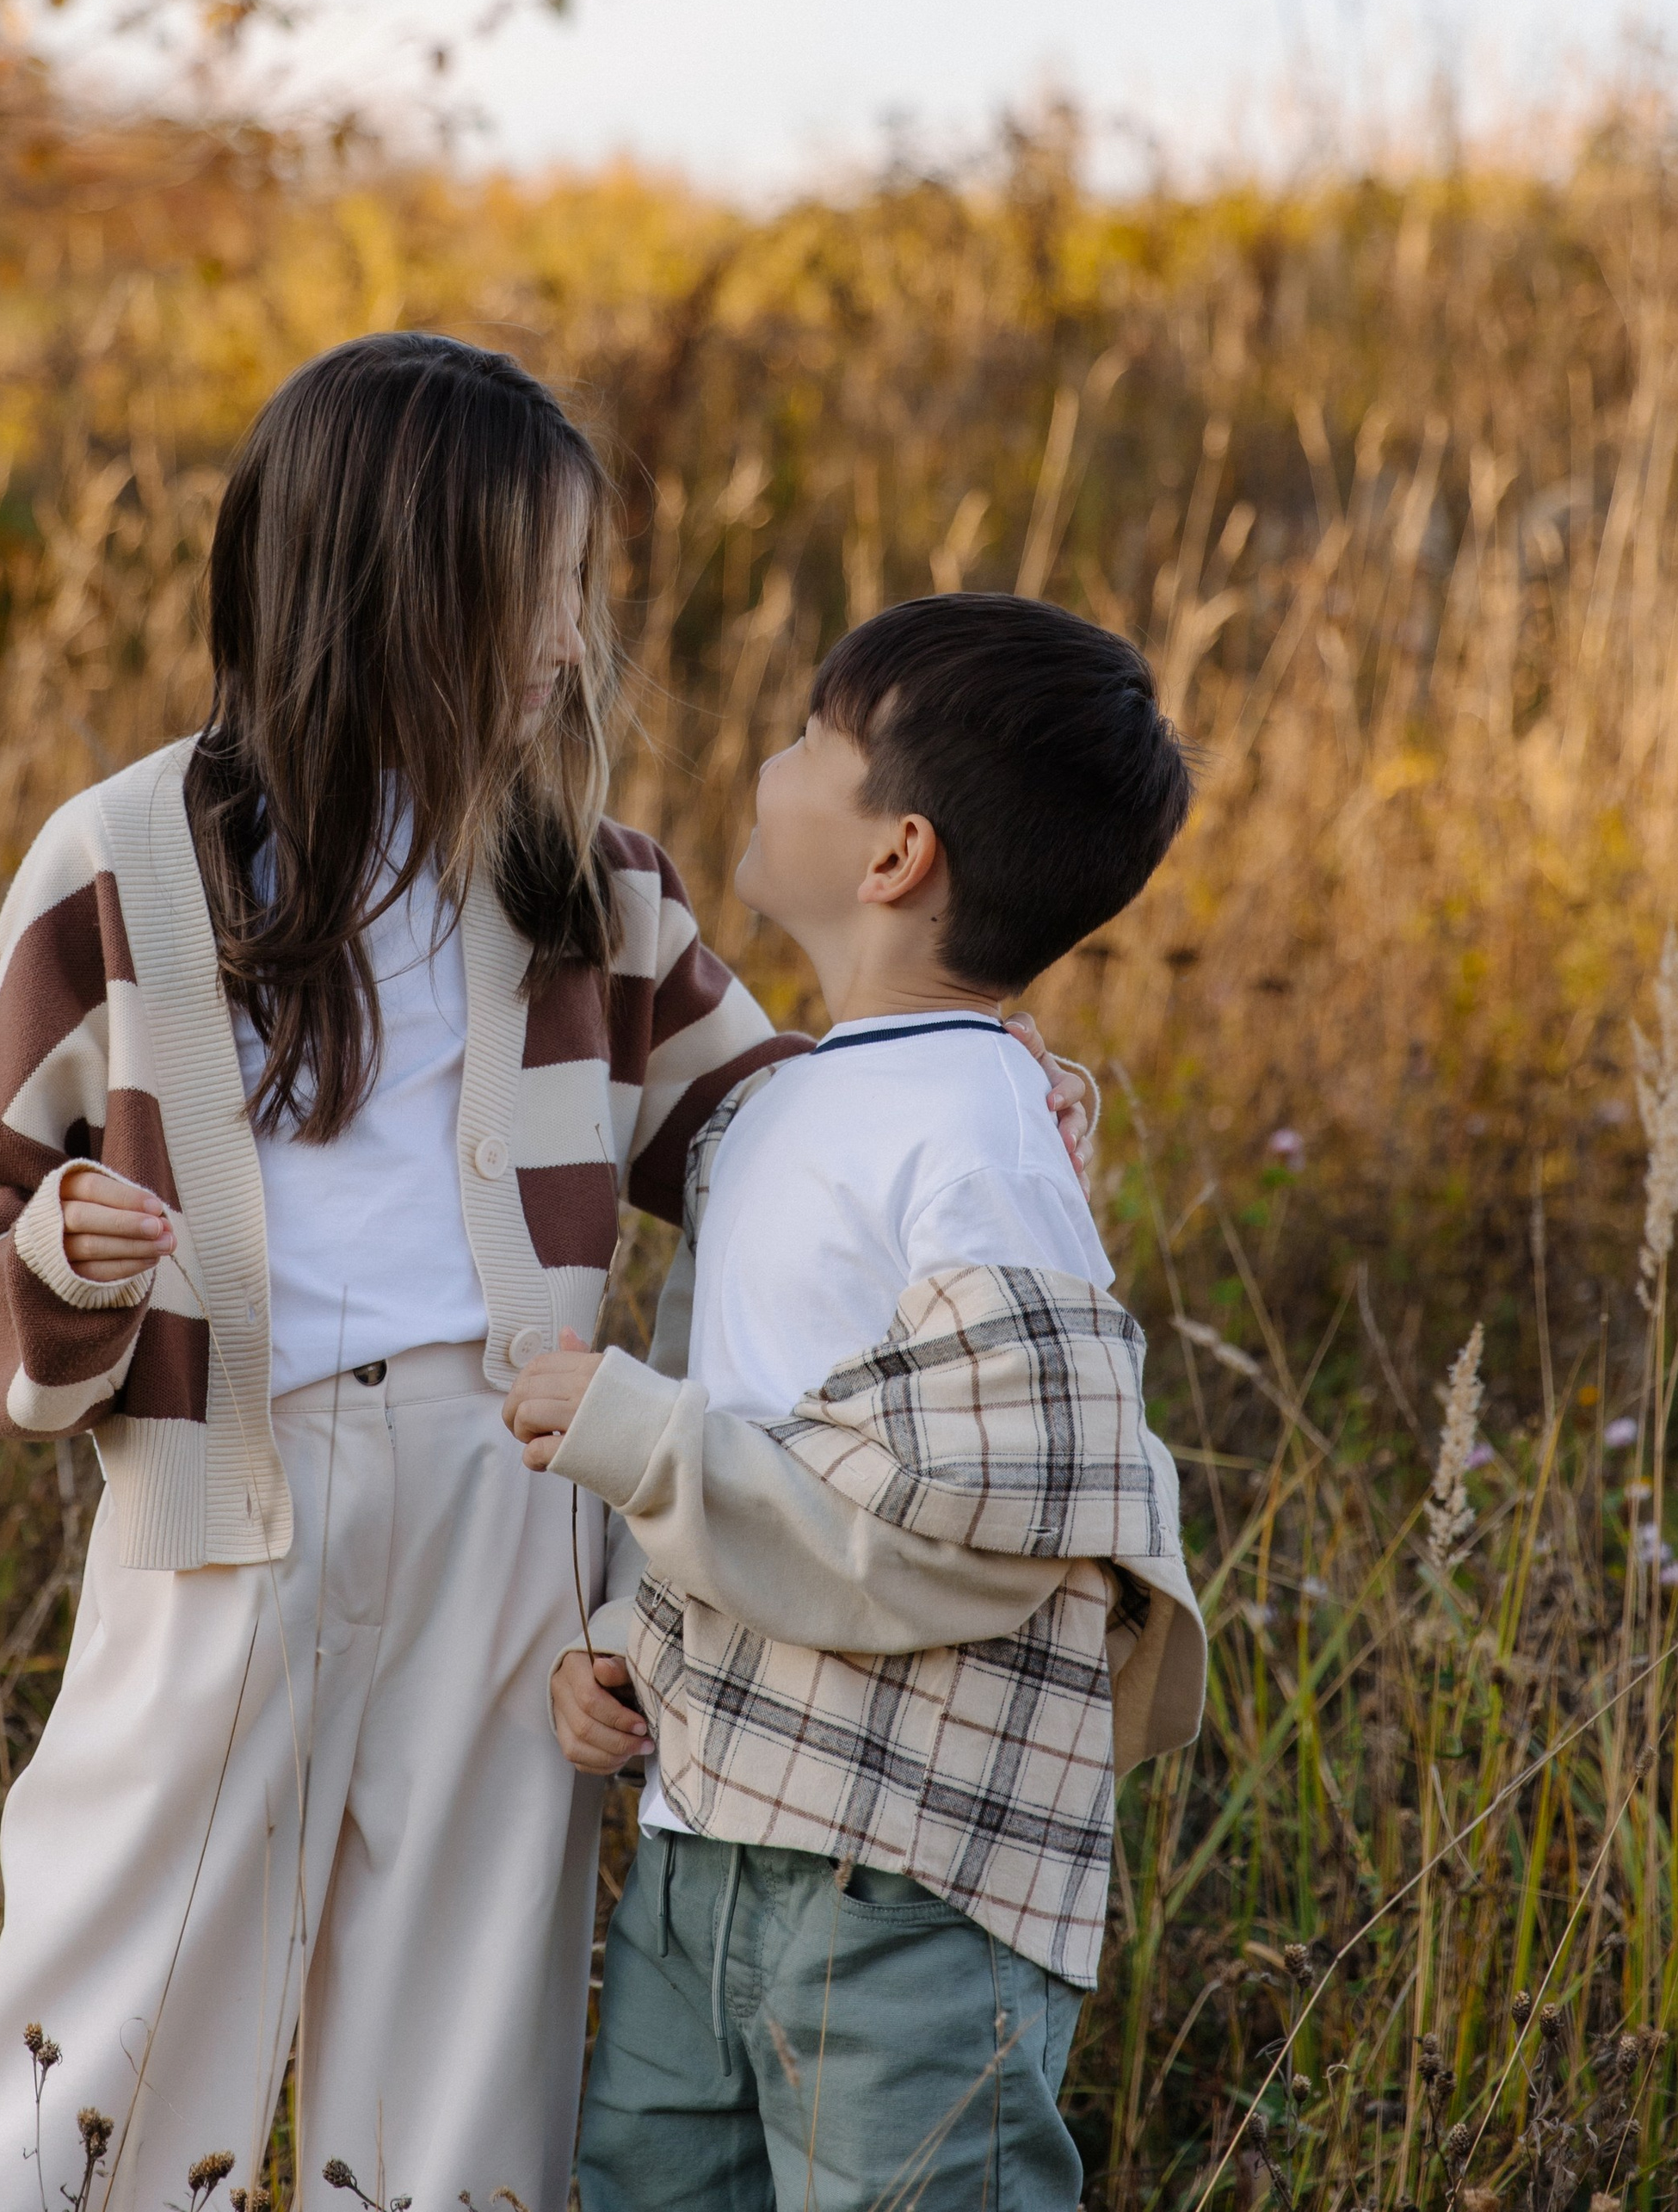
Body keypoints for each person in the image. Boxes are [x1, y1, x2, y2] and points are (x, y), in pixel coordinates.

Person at [0, 334, 1096, 2212]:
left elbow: (767, 1139)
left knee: (465, 2041)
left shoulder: (587, 890)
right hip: (225, 1512)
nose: (571, 638)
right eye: (539, 591)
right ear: (395, 593)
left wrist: (968, 1089)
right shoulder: (124, 861)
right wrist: (62, 1254)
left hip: (511, 1508)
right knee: (104, 2015)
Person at [506, 591, 1210, 2212]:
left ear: (896, 854)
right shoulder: (786, 1106)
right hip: (709, 1836)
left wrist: (634, 1437)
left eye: (812, 741)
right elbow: (753, 1412)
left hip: (904, 1885)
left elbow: (987, 1512)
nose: (767, 757)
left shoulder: (976, 1140)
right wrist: (628, 1636)